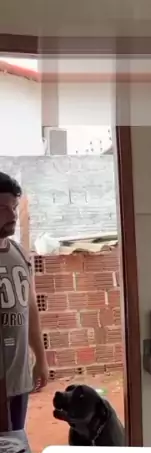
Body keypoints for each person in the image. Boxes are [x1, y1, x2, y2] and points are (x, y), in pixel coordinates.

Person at [0, 172, 48, 430]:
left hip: (18, 379)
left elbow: (30, 310)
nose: (13, 215)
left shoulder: (19, 253)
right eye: (3, 208)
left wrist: (41, 358)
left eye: (14, 207)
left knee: (15, 442)